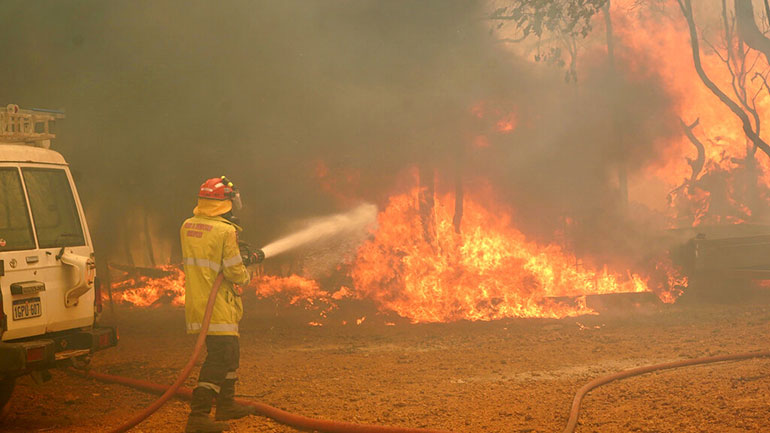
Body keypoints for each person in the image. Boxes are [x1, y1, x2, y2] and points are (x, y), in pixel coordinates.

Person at [181, 176, 264, 433]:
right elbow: (233, 270)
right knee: (219, 358)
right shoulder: (225, 231)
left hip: (199, 303)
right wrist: (246, 270)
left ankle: (226, 405)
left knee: (230, 353)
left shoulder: (188, 225)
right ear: (225, 201)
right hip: (216, 306)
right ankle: (198, 416)